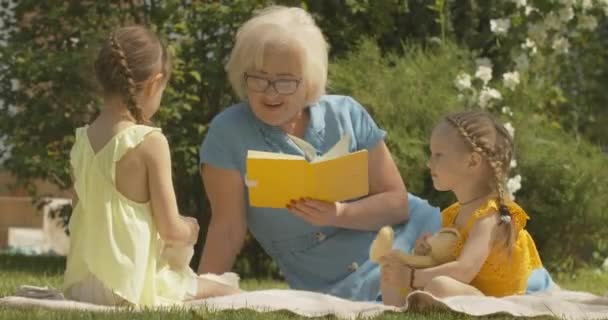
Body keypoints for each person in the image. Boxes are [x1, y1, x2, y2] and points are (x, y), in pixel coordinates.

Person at [198, 6, 441, 301]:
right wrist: (202, 292)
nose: (270, 93)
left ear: (309, 81)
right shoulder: (227, 132)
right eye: (259, 78)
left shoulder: (347, 112)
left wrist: (340, 213)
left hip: (410, 239)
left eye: (286, 81)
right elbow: (227, 228)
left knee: (464, 269)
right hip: (332, 282)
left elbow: (397, 204)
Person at [64, 25, 239, 306]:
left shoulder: (81, 140)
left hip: (84, 285)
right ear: (155, 83)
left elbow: (78, 216)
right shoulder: (149, 141)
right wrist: (190, 230)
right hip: (130, 286)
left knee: (205, 282)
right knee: (227, 287)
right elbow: (170, 230)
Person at [379, 110, 554, 306]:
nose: (429, 163)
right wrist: (424, 254)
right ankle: (397, 312)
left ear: (472, 161)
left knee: (440, 286)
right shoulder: (454, 213)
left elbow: (464, 270)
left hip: (493, 300)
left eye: (438, 155)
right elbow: (445, 261)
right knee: (392, 268)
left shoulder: (489, 216)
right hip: (466, 289)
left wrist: (412, 277)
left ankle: (417, 305)